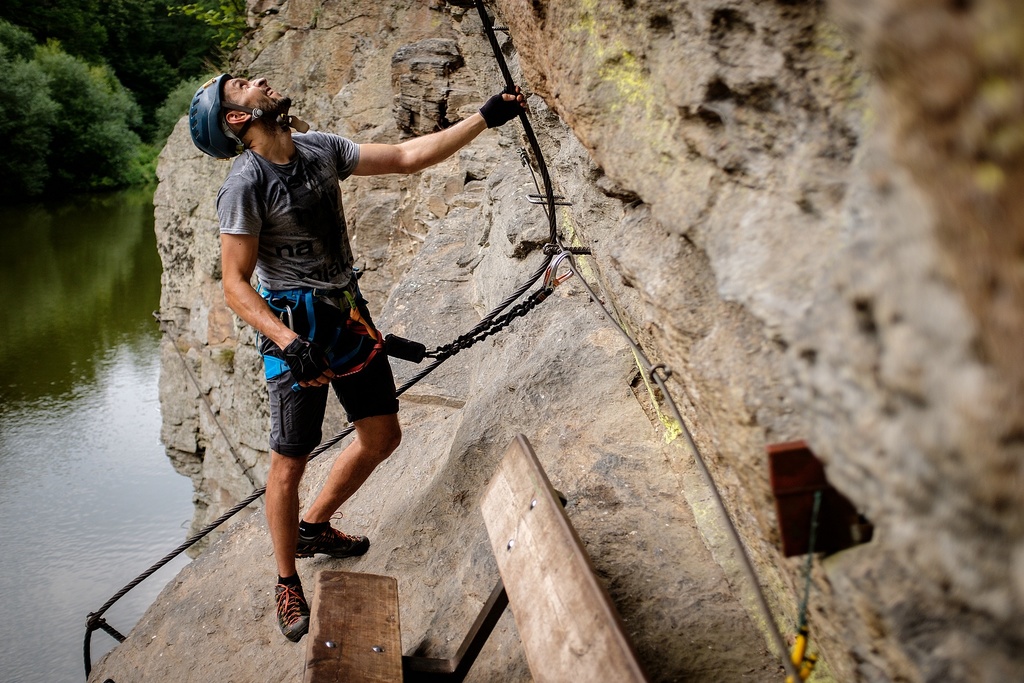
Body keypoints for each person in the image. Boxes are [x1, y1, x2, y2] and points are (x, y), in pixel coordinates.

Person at [187, 73, 525, 642]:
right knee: (289, 460)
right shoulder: (245, 184)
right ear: (237, 119)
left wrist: (485, 118)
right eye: (243, 85)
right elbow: (235, 285)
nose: (262, 80)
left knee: (381, 436)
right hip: (295, 326)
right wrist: (289, 344)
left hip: (345, 313)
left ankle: (314, 526)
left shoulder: (318, 148)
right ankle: (286, 576)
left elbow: (404, 157)